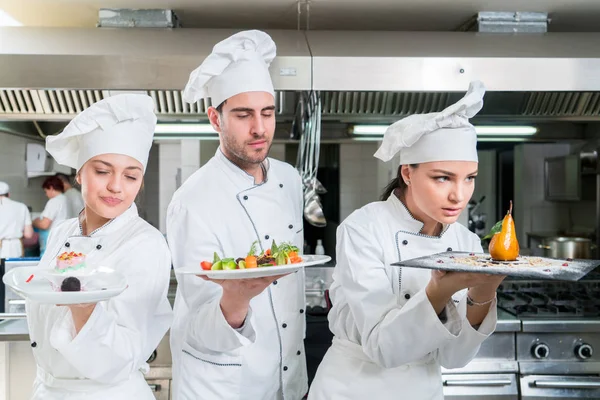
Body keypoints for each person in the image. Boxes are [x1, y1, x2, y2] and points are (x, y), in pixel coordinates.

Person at [308, 81, 504, 400]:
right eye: (442, 177)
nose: (459, 194)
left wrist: (484, 291)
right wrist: (438, 292)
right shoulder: (363, 228)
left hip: (422, 390)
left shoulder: (467, 241)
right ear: (408, 173)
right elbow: (384, 349)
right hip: (353, 388)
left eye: (469, 178)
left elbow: (454, 359)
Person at [167, 30, 307, 400]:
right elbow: (199, 324)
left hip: (287, 379)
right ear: (215, 118)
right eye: (244, 115)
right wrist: (237, 299)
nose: (260, 128)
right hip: (223, 385)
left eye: (267, 113)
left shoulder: (290, 179)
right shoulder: (192, 201)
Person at [25, 93, 173, 400]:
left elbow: (120, 357)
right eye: (103, 171)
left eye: (131, 176)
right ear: (79, 173)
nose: (116, 186)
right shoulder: (63, 231)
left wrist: (84, 310)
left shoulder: (146, 244)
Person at [33, 176, 69, 256]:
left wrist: (33, 222)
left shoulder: (54, 201)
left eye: (46, 191)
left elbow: (44, 224)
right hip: (61, 241)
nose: (46, 195)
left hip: (51, 244)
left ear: (51, 188)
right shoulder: (65, 199)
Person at [0, 181, 33, 258]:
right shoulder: (22, 207)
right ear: (8, 194)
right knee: (15, 269)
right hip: (16, 248)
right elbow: (28, 234)